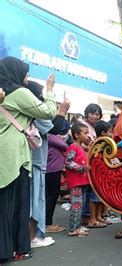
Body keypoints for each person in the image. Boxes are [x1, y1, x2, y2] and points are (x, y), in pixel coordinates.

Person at [0, 57, 57, 262]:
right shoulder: (19, 93)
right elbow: (48, 112)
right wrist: (49, 90)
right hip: (15, 156)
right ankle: (17, 249)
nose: (27, 76)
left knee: (3, 204)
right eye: (26, 72)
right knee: (17, 205)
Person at [25, 80, 70, 248]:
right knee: (35, 201)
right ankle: (33, 237)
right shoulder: (32, 110)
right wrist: (63, 109)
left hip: (30, 161)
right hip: (35, 162)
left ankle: (30, 237)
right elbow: (55, 129)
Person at [77, 103, 103, 226]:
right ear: (87, 113)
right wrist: (90, 147)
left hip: (90, 161)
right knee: (87, 191)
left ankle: (86, 216)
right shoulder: (82, 125)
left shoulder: (93, 127)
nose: (95, 116)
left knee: (88, 189)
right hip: (83, 161)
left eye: (97, 114)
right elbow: (77, 143)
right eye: (92, 113)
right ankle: (85, 216)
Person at [65, 123, 92, 237]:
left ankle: (76, 226)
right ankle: (73, 229)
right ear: (77, 135)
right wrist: (82, 168)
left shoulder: (79, 147)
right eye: (85, 133)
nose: (87, 136)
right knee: (76, 204)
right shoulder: (73, 147)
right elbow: (68, 162)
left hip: (81, 181)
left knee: (79, 204)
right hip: (76, 181)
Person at [45, 122, 70, 234]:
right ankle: (47, 223)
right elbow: (65, 146)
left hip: (52, 168)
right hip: (52, 168)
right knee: (52, 195)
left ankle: (47, 222)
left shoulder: (49, 135)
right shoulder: (50, 135)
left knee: (51, 195)